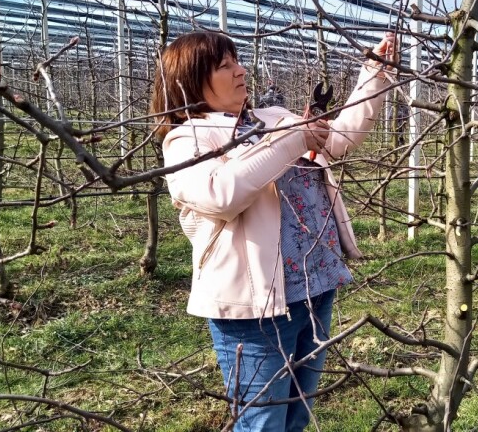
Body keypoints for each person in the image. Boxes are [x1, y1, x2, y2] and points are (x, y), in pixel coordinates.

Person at [150, 30, 396, 431]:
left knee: (299, 413)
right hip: (257, 309)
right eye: (224, 65)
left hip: (316, 287)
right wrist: (292, 138)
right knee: (263, 422)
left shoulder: (274, 118)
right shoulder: (187, 139)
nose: (240, 70)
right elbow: (221, 194)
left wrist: (374, 73)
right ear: (191, 81)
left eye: (237, 60)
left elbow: (338, 139)